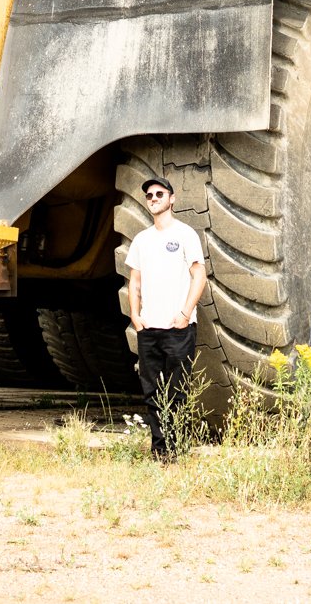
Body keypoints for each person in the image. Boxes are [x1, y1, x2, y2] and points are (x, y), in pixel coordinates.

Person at [126, 175, 205, 461]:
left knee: (177, 392)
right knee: (152, 393)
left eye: (160, 194)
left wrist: (185, 314)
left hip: (178, 329)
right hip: (149, 329)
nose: (154, 198)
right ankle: (160, 452)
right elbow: (134, 282)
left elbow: (199, 276)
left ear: (172, 199)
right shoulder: (141, 240)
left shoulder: (185, 235)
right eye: (149, 195)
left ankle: (177, 448)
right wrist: (136, 316)